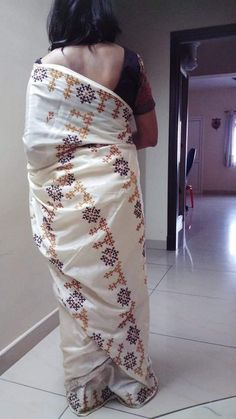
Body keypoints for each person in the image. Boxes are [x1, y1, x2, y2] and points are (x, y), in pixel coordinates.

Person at [22, 0, 158, 415]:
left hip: (65, 199)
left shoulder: (45, 69)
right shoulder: (131, 62)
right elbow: (149, 135)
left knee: (77, 288)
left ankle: (87, 390)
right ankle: (129, 380)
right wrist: (108, 151)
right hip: (116, 191)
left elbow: (36, 145)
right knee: (123, 284)